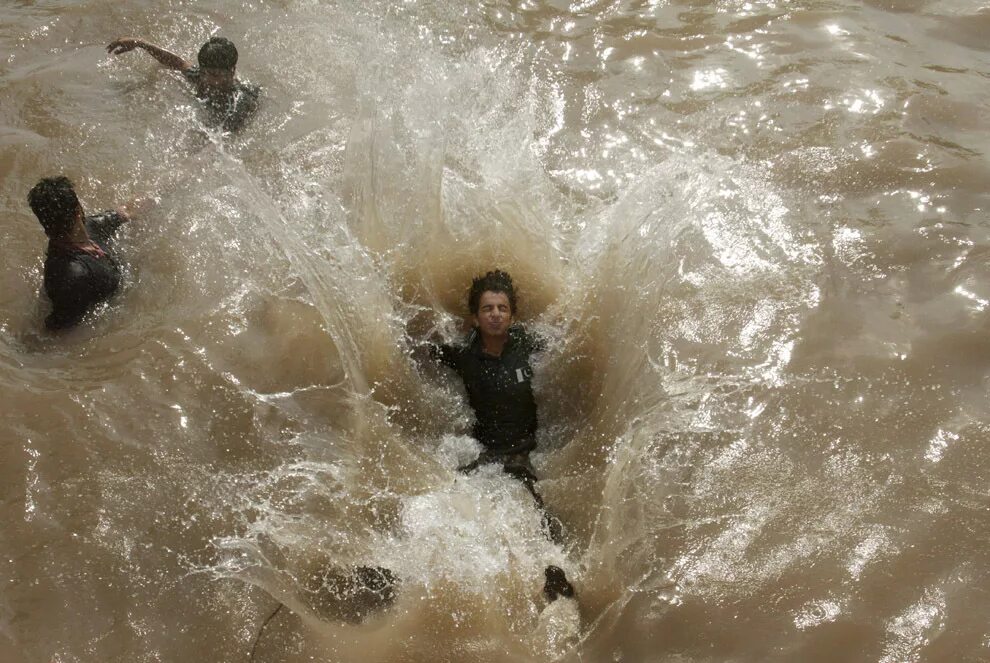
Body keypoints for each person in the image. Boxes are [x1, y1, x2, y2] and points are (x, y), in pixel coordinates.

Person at [431, 269, 574, 601]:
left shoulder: (528, 343)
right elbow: (419, 352)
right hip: (485, 451)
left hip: (526, 450)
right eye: (487, 309)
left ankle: (557, 578)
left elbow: (571, 348)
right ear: (475, 318)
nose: (495, 315)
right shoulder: (464, 354)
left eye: (502, 309)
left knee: (542, 517)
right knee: (453, 505)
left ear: (512, 315)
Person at [28, 176, 132, 331]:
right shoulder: (71, 277)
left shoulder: (91, 227)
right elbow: (56, 332)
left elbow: (126, 211)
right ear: (78, 210)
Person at [106, 35, 260, 133]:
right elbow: (178, 63)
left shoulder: (240, 102)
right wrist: (140, 43)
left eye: (216, 75)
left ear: (232, 71)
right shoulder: (201, 75)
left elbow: (226, 138)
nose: (209, 80)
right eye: (205, 73)